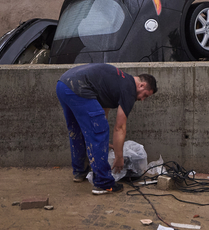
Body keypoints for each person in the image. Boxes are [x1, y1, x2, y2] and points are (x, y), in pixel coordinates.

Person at [55, 63, 157, 194]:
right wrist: (119, 156)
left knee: (78, 131)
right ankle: (103, 183)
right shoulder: (129, 89)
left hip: (63, 84)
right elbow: (119, 127)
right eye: (145, 95)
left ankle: (79, 172)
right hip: (78, 87)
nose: (142, 99)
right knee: (99, 130)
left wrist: (102, 141)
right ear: (141, 85)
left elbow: (103, 111)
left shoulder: (118, 81)